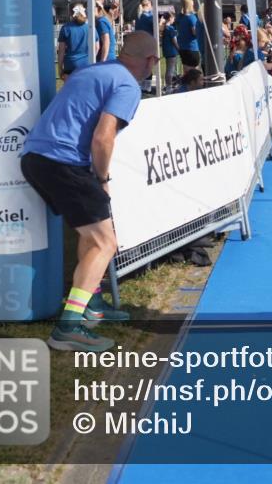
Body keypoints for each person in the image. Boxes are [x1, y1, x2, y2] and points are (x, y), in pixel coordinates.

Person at [20, 32, 159, 352]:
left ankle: (91, 304)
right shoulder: (127, 85)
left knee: (90, 235)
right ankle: (68, 328)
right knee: (106, 242)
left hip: (36, 158)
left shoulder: (92, 70)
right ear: (151, 61)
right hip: (63, 162)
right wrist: (103, 177)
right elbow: (103, 138)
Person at [57, 3, 91, 80]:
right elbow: (96, 47)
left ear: (70, 13)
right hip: (86, 63)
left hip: (70, 64)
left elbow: (61, 50)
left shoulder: (65, 28)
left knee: (70, 91)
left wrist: (60, 68)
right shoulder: (90, 27)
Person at [174, 0, 201, 70]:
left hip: (182, 47)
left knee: (186, 70)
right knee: (194, 72)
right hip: (192, 48)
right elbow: (195, 32)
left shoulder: (179, 17)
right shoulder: (192, 18)